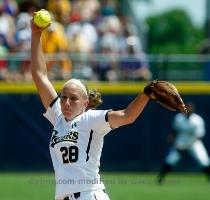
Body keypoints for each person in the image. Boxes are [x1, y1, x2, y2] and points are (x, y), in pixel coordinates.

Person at [30, 18, 151, 200]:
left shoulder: (90, 119)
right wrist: (36, 34)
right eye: (63, 96)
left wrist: (146, 93)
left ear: (85, 103)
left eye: (73, 98)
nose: (66, 102)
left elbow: (127, 116)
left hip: (88, 196)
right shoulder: (59, 116)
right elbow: (39, 75)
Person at [158, 103, 210, 184]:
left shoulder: (198, 120)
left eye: (190, 109)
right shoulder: (179, 118)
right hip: (181, 142)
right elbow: (175, 131)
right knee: (171, 159)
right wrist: (171, 137)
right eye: (187, 108)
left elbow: (199, 136)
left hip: (194, 143)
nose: (188, 110)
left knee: (203, 160)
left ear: (193, 110)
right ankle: (160, 178)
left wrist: (187, 146)